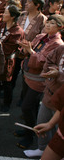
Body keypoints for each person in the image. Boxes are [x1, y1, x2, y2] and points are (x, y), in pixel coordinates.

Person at [16, 14, 64, 149]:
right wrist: (25, 48)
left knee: (27, 106)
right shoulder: (40, 37)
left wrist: (30, 51)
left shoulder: (57, 43)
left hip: (39, 80)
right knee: (32, 107)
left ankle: (31, 134)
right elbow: (31, 51)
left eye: (52, 23)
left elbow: (43, 61)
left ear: (60, 27)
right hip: (28, 75)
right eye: (48, 22)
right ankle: (28, 129)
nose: (48, 25)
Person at [0, 5, 24, 112]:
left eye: (6, 13)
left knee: (6, 82)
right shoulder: (1, 25)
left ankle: (7, 103)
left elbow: (8, 48)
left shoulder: (17, 31)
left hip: (7, 59)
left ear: (12, 16)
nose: (3, 14)